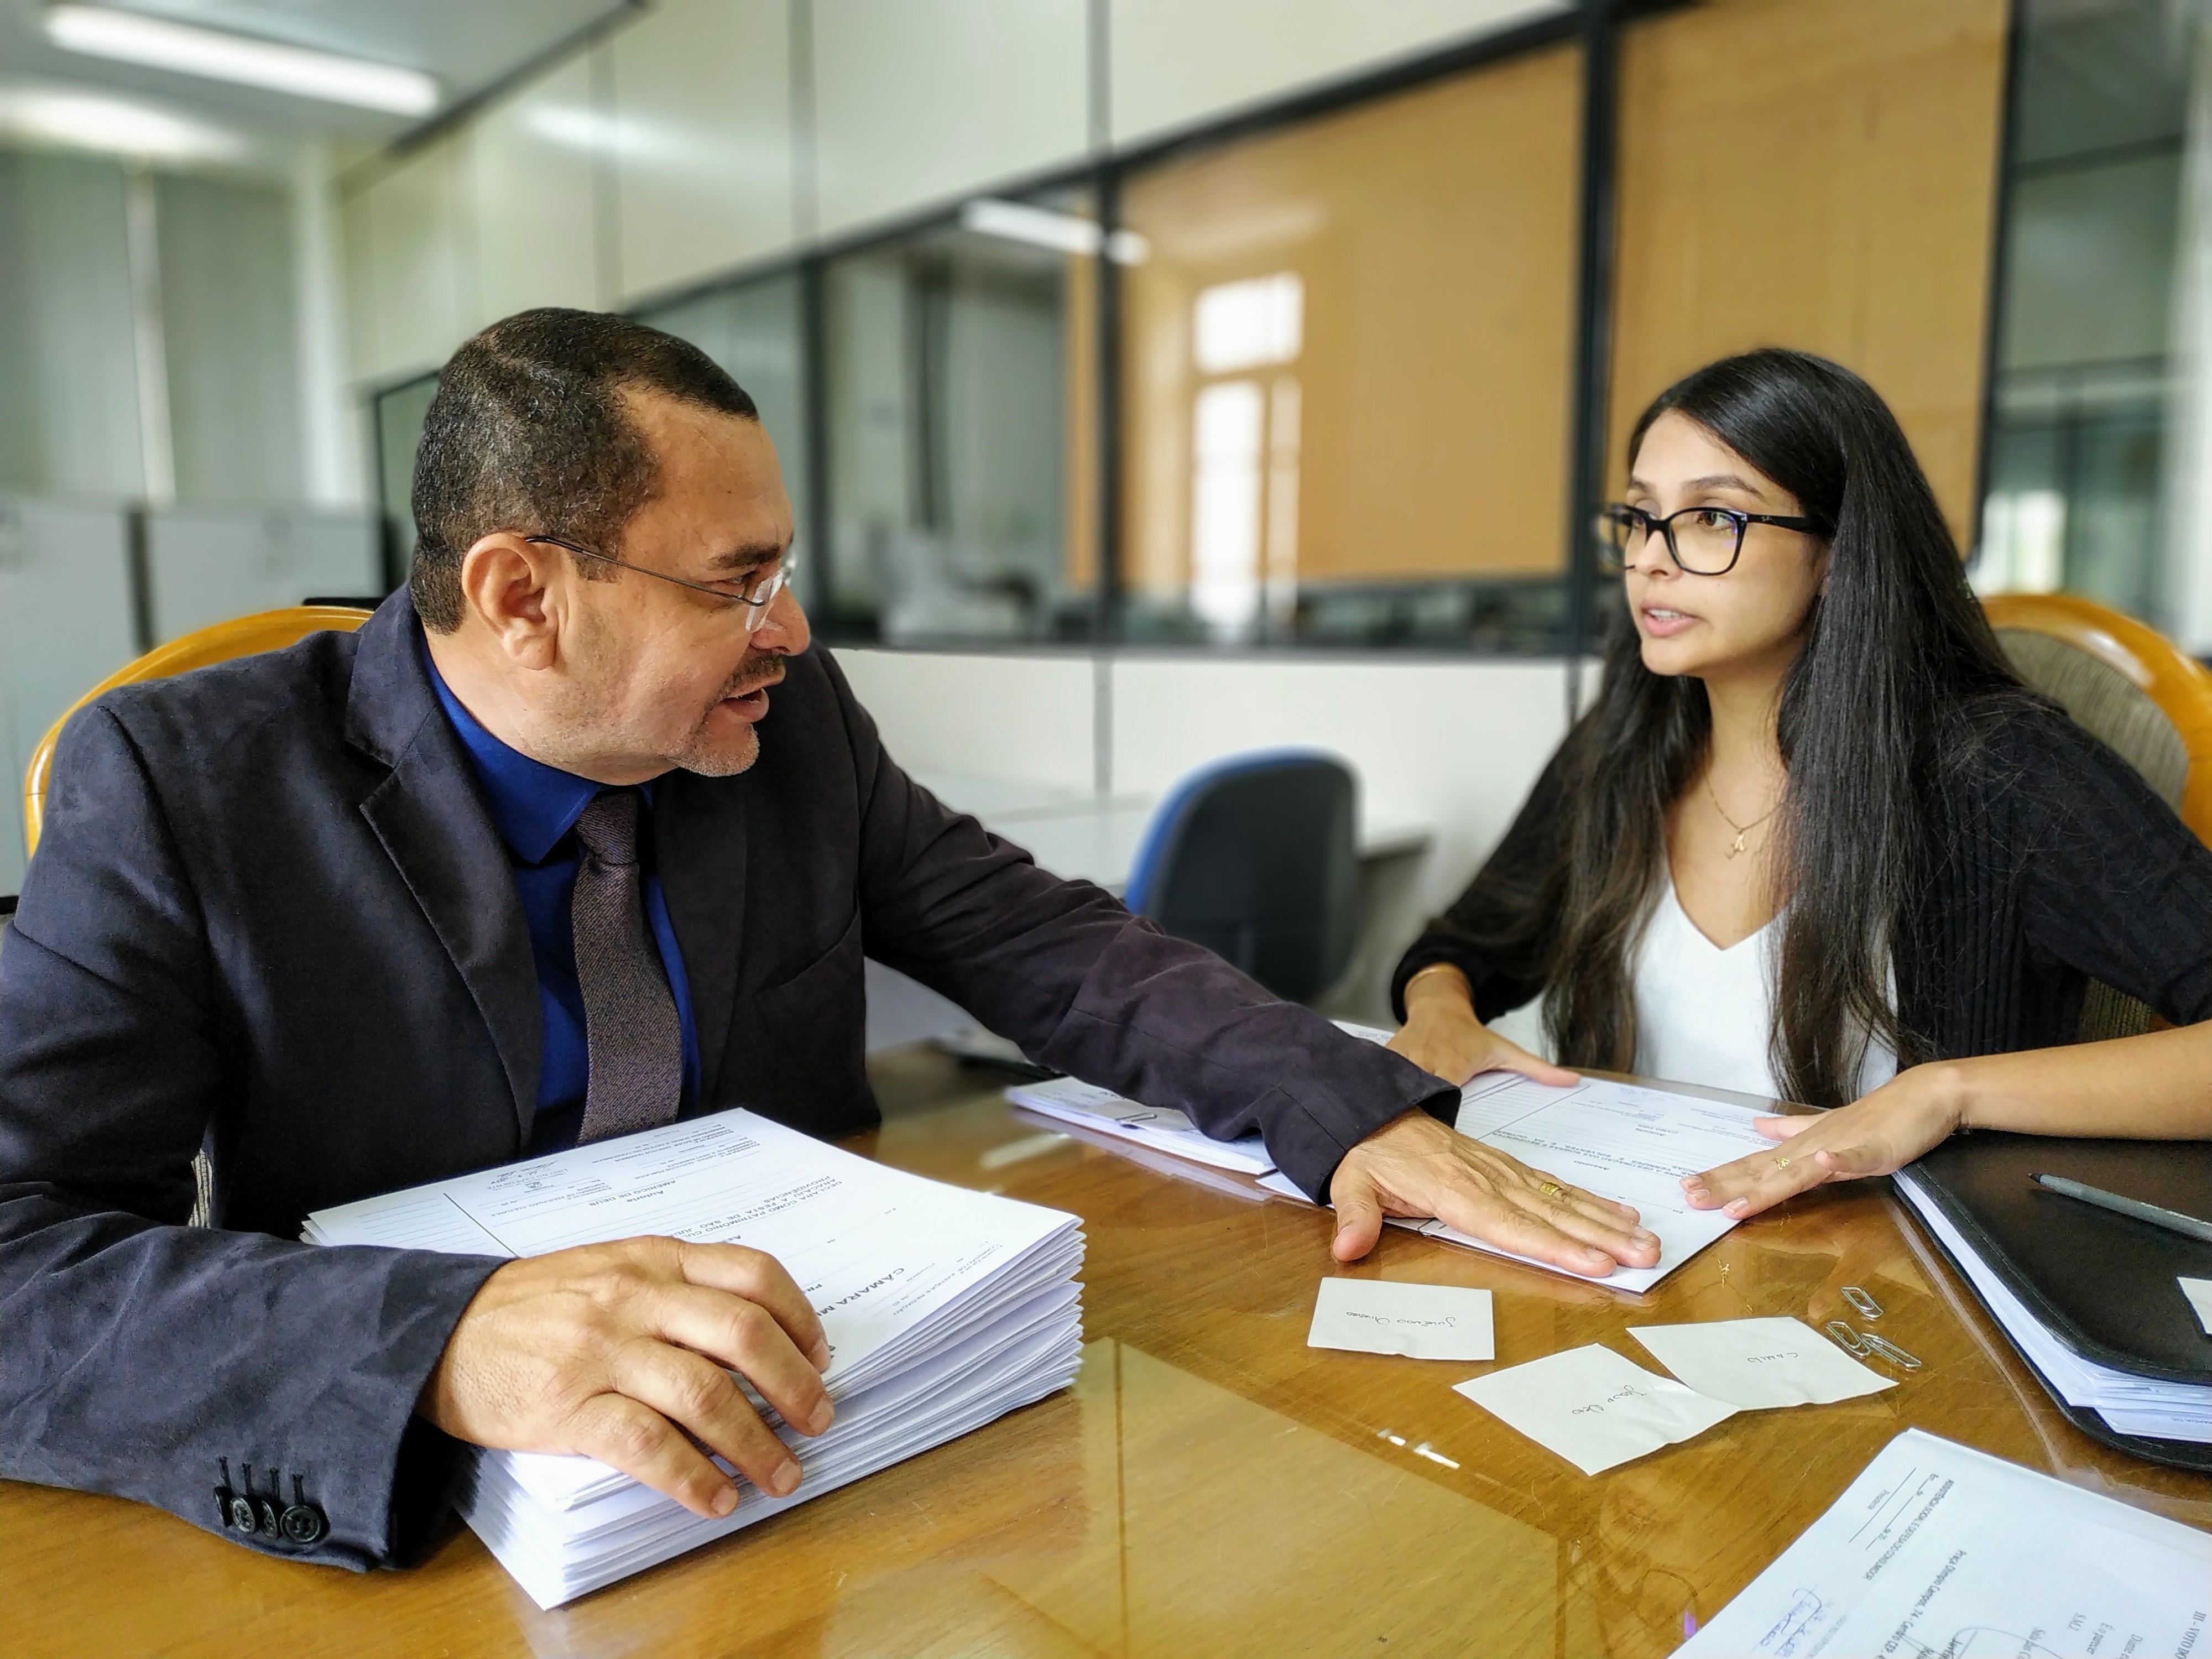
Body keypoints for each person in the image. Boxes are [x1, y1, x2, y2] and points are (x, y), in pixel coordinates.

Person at [0, 309, 1655, 1572]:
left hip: (847, 1427)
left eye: (784, 571)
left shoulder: (787, 729)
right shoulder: (178, 786)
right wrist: (428, 1342)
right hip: (459, 1510)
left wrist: (1345, 1099)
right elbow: (19, 1258)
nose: (791, 631)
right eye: (737, 582)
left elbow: (1042, 942)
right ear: (522, 597)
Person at [1387, 348, 2212, 1222]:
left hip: (1890, 1292)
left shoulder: (2001, 768)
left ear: (1837, 550)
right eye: (1639, 517)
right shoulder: (1624, 745)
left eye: (1711, 517)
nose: (1651, 561)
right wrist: (1438, 1004)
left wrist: (1950, 1092)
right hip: (1626, 1241)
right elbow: (1470, 944)